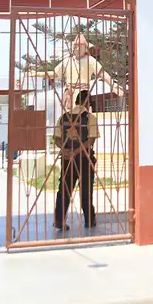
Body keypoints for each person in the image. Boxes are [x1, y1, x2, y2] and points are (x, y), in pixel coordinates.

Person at [53, 90, 99, 232]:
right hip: (84, 159)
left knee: (64, 189)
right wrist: (77, 152)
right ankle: (89, 221)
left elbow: (56, 138)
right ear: (87, 103)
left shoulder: (63, 117)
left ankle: (59, 221)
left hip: (67, 159)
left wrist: (66, 151)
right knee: (86, 189)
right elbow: (90, 140)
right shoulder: (90, 118)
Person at [49, 34, 123, 113]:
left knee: (83, 118)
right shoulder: (67, 61)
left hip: (83, 94)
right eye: (75, 46)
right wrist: (38, 73)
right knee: (68, 118)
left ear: (85, 48)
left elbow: (102, 73)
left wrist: (113, 85)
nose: (77, 49)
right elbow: (55, 74)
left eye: (80, 46)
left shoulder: (90, 60)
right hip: (69, 94)